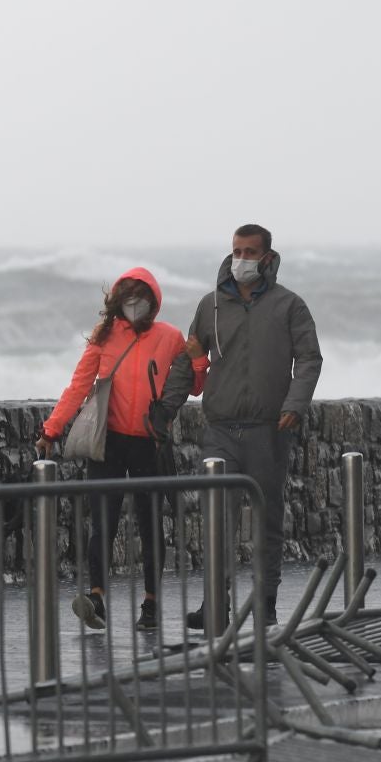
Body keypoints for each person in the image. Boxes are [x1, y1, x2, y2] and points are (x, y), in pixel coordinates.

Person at [160, 224, 323, 629]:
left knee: (267, 520)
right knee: (217, 520)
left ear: (267, 258)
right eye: (236, 251)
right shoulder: (210, 305)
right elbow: (188, 359)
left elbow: (309, 358)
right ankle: (216, 605)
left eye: (250, 252)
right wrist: (165, 409)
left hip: (269, 431)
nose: (242, 259)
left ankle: (265, 602)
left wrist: (295, 404)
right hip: (220, 430)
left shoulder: (290, 306)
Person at [35, 267, 200, 632]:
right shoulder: (104, 337)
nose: (134, 305)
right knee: (102, 523)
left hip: (149, 444)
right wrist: (51, 429)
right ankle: (96, 597)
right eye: (127, 298)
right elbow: (77, 387)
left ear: (154, 302)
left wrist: (198, 357)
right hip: (108, 441)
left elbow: (196, 385)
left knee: (150, 523)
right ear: (117, 301)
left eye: (141, 298)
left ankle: (152, 604)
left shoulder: (169, 337)